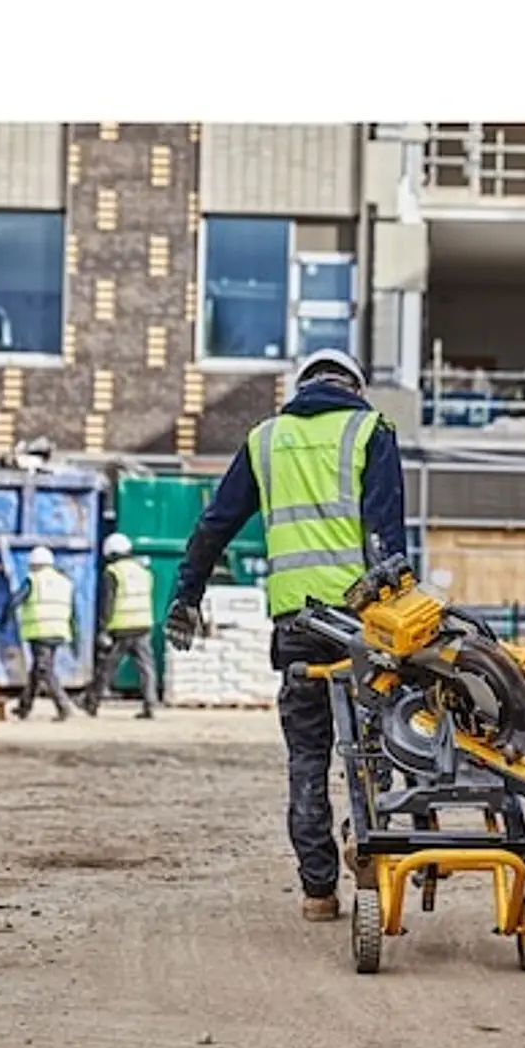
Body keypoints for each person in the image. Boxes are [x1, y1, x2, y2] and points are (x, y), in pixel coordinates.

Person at [163, 348, 407, 922]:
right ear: (354, 386)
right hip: (363, 625)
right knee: (378, 741)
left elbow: (215, 523)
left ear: (302, 386)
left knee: (307, 756)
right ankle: (367, 840)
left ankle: (318, 892)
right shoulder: (372, 429)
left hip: (295, 625)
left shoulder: (265, 439)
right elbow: (386, 535)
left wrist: (186, 594)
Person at [83, 532, 158, 719]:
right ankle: (150, 705)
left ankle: (92, 702)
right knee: (147, 667)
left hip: (122, 626)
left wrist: (102, 629)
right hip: (143, 624)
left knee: (108, 666)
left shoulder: (113, 572)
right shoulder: (144, 571)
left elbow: (107, 603)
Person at [1, 545, 75, 721]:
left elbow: (16, 600)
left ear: (34, 564)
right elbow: (74, 611)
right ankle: (24, 706)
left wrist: (4, 618)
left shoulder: (33, 580)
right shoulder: (64, 581)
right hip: (58, 630)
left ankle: (63, 706)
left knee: (45, 670)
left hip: (41, 631)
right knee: (36, 670)